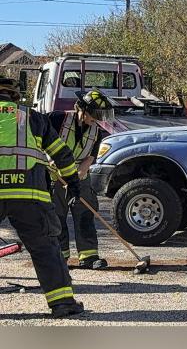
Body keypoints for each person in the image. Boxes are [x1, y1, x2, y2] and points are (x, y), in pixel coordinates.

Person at [0, 78, 85, 318]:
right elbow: (61, 154)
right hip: (29, 194)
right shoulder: (32, 117)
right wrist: (73, 182)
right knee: (45, 248)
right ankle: (62, 304)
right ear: (15, 96)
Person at [48, 89, 114, 270]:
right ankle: (60, 257)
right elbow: (39, 139)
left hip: (79, 177)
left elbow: (91, 157)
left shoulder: (96, 132)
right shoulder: (56, 119)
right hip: (55, 177)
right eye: (94, 114)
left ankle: (89, 256)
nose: (97, 119)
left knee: (85, 213)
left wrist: (81, 172)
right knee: (56, 217)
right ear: (81, 109)